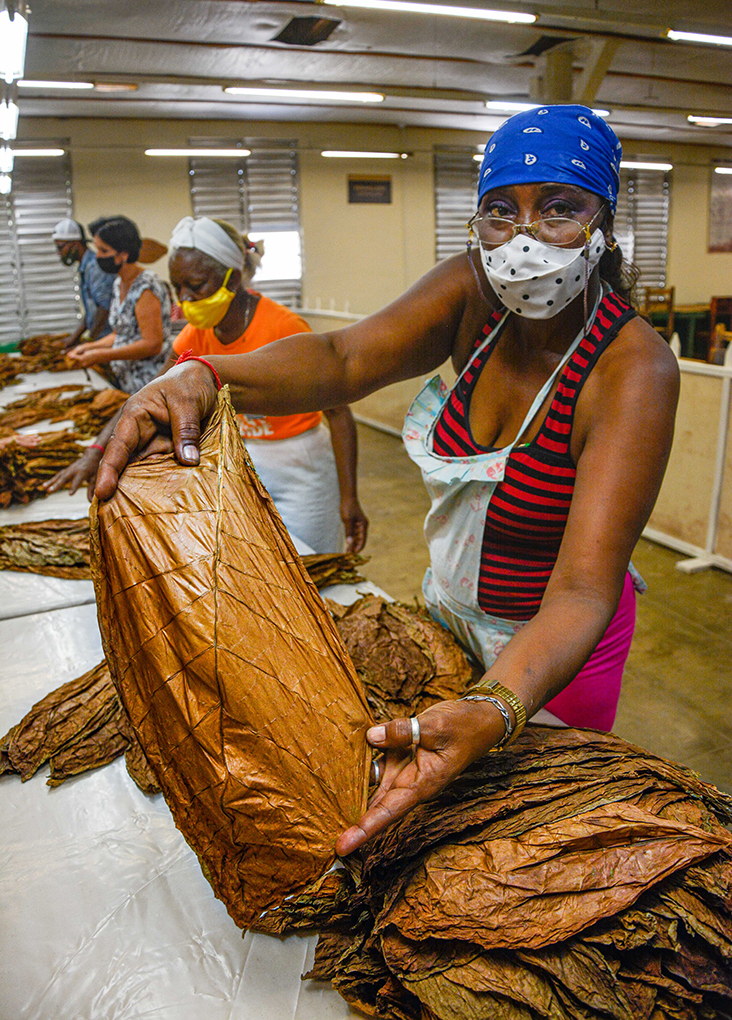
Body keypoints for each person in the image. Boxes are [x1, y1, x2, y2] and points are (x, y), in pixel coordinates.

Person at [94, 106, 679, 856]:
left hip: (552, 657)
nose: (525, 237)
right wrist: (204, 374)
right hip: (452, 615)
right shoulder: (474, 299)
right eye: (501, 211)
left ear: (605, 223)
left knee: (512, 845)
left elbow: (581, 593)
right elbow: (341, 359)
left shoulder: (631, 370)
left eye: (560, 209)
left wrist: (497, 705)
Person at [47, 215, 368, 555]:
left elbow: (339, 414)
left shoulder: (284, 328)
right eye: (177, 287)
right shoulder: (196, 334)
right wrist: (96, 452)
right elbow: (148, 397)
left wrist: (349, 499)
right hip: (239, 457)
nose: (184, 300)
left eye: (196, 286)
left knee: (313, 564)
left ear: (232, 276)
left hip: (300, 465)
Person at [65, 215, 172, 394]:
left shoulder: (146, 287)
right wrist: (88, 347)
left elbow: (152, 344)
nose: (97, 256)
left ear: (123, 255)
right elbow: (120, 334)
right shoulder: (119, 283)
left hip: (151, 384)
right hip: (129, 382)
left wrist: (100, 355)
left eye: (103, 251)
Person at [51, 218, 115, 347]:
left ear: (75, 244)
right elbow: (93, 312)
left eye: (60, 247)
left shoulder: (95, 267)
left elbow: (104, 308)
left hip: (108, 342)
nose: (59, 252)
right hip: (100, 340)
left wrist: (88, 344)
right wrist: (74, 339)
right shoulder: (85, 268)